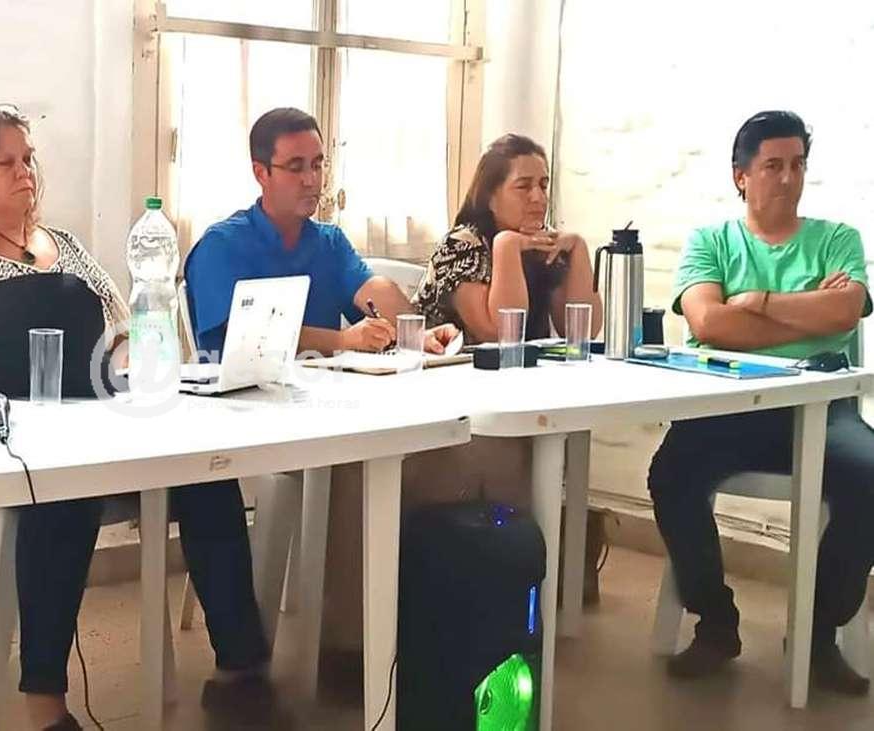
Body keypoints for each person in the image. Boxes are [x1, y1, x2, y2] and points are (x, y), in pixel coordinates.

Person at [0, 104, 285, 731]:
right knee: (62, 489)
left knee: (206, 473)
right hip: (6, 444)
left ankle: (240, 670)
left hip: (102, 426)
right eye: (4, 162)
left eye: (28, 159)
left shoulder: (67, 247)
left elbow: (126, 328)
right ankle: (45, 705)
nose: (24, 173)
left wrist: (132, 360)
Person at [649, 110, 873, 694]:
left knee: (871, 474)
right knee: (672, 473)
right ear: (741, 176)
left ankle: (817, 633)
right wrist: (807, 315)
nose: (788, 178)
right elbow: (708, 323)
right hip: (731, 407)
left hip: (822, 407)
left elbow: (845, 312)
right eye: (773, 165)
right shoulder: (712, 241)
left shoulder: (837, 239)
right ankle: (716, 622)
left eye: (797, 164)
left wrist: (758, 301)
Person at [185, 107, 459, 358]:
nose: (311, 180)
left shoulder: (329, 242)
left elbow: (371, 289)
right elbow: (248, 335)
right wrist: (343, 340)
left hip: (321, 387)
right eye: (296, 168)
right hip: (238, 392)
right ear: (261, 173)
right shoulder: (221, 245)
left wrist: (416, 334)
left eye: (317, 165)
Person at [412, 133, 602, 342]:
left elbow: (582, 334)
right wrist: (507, 244)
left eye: (543, 186)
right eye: (523, 186)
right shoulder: (460, 246)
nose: (538, 197)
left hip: (527, 362)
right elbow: (501, 336)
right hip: (451, 361)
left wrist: (578, 247)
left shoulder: (544, 243)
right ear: (490, 197)